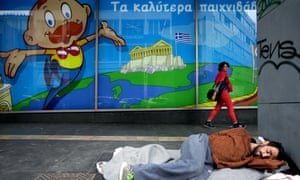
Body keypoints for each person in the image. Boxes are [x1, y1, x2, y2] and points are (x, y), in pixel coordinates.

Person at [118, 128, 289, 180]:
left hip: (208, 164)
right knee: (192, 166)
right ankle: (133, 172)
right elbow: (215, 136)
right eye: (269, 151)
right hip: (201, 143)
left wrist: (279, 161)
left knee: (194, 177)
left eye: (269, 156)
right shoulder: (242, 134)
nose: (266, 155)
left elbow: (269, 165)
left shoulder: (250, 160)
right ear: (265, 142)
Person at [204, 61, 245, 128]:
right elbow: (219, 84)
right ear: (221, 67)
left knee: (217, 108)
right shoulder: (223, 74)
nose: (226, 68)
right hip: (224, 93)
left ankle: (208, 121)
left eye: (227, 66)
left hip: (221, 93)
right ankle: (235, 123)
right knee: (230, 107)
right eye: (224, 67)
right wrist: (214, 94)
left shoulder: (220, 73)